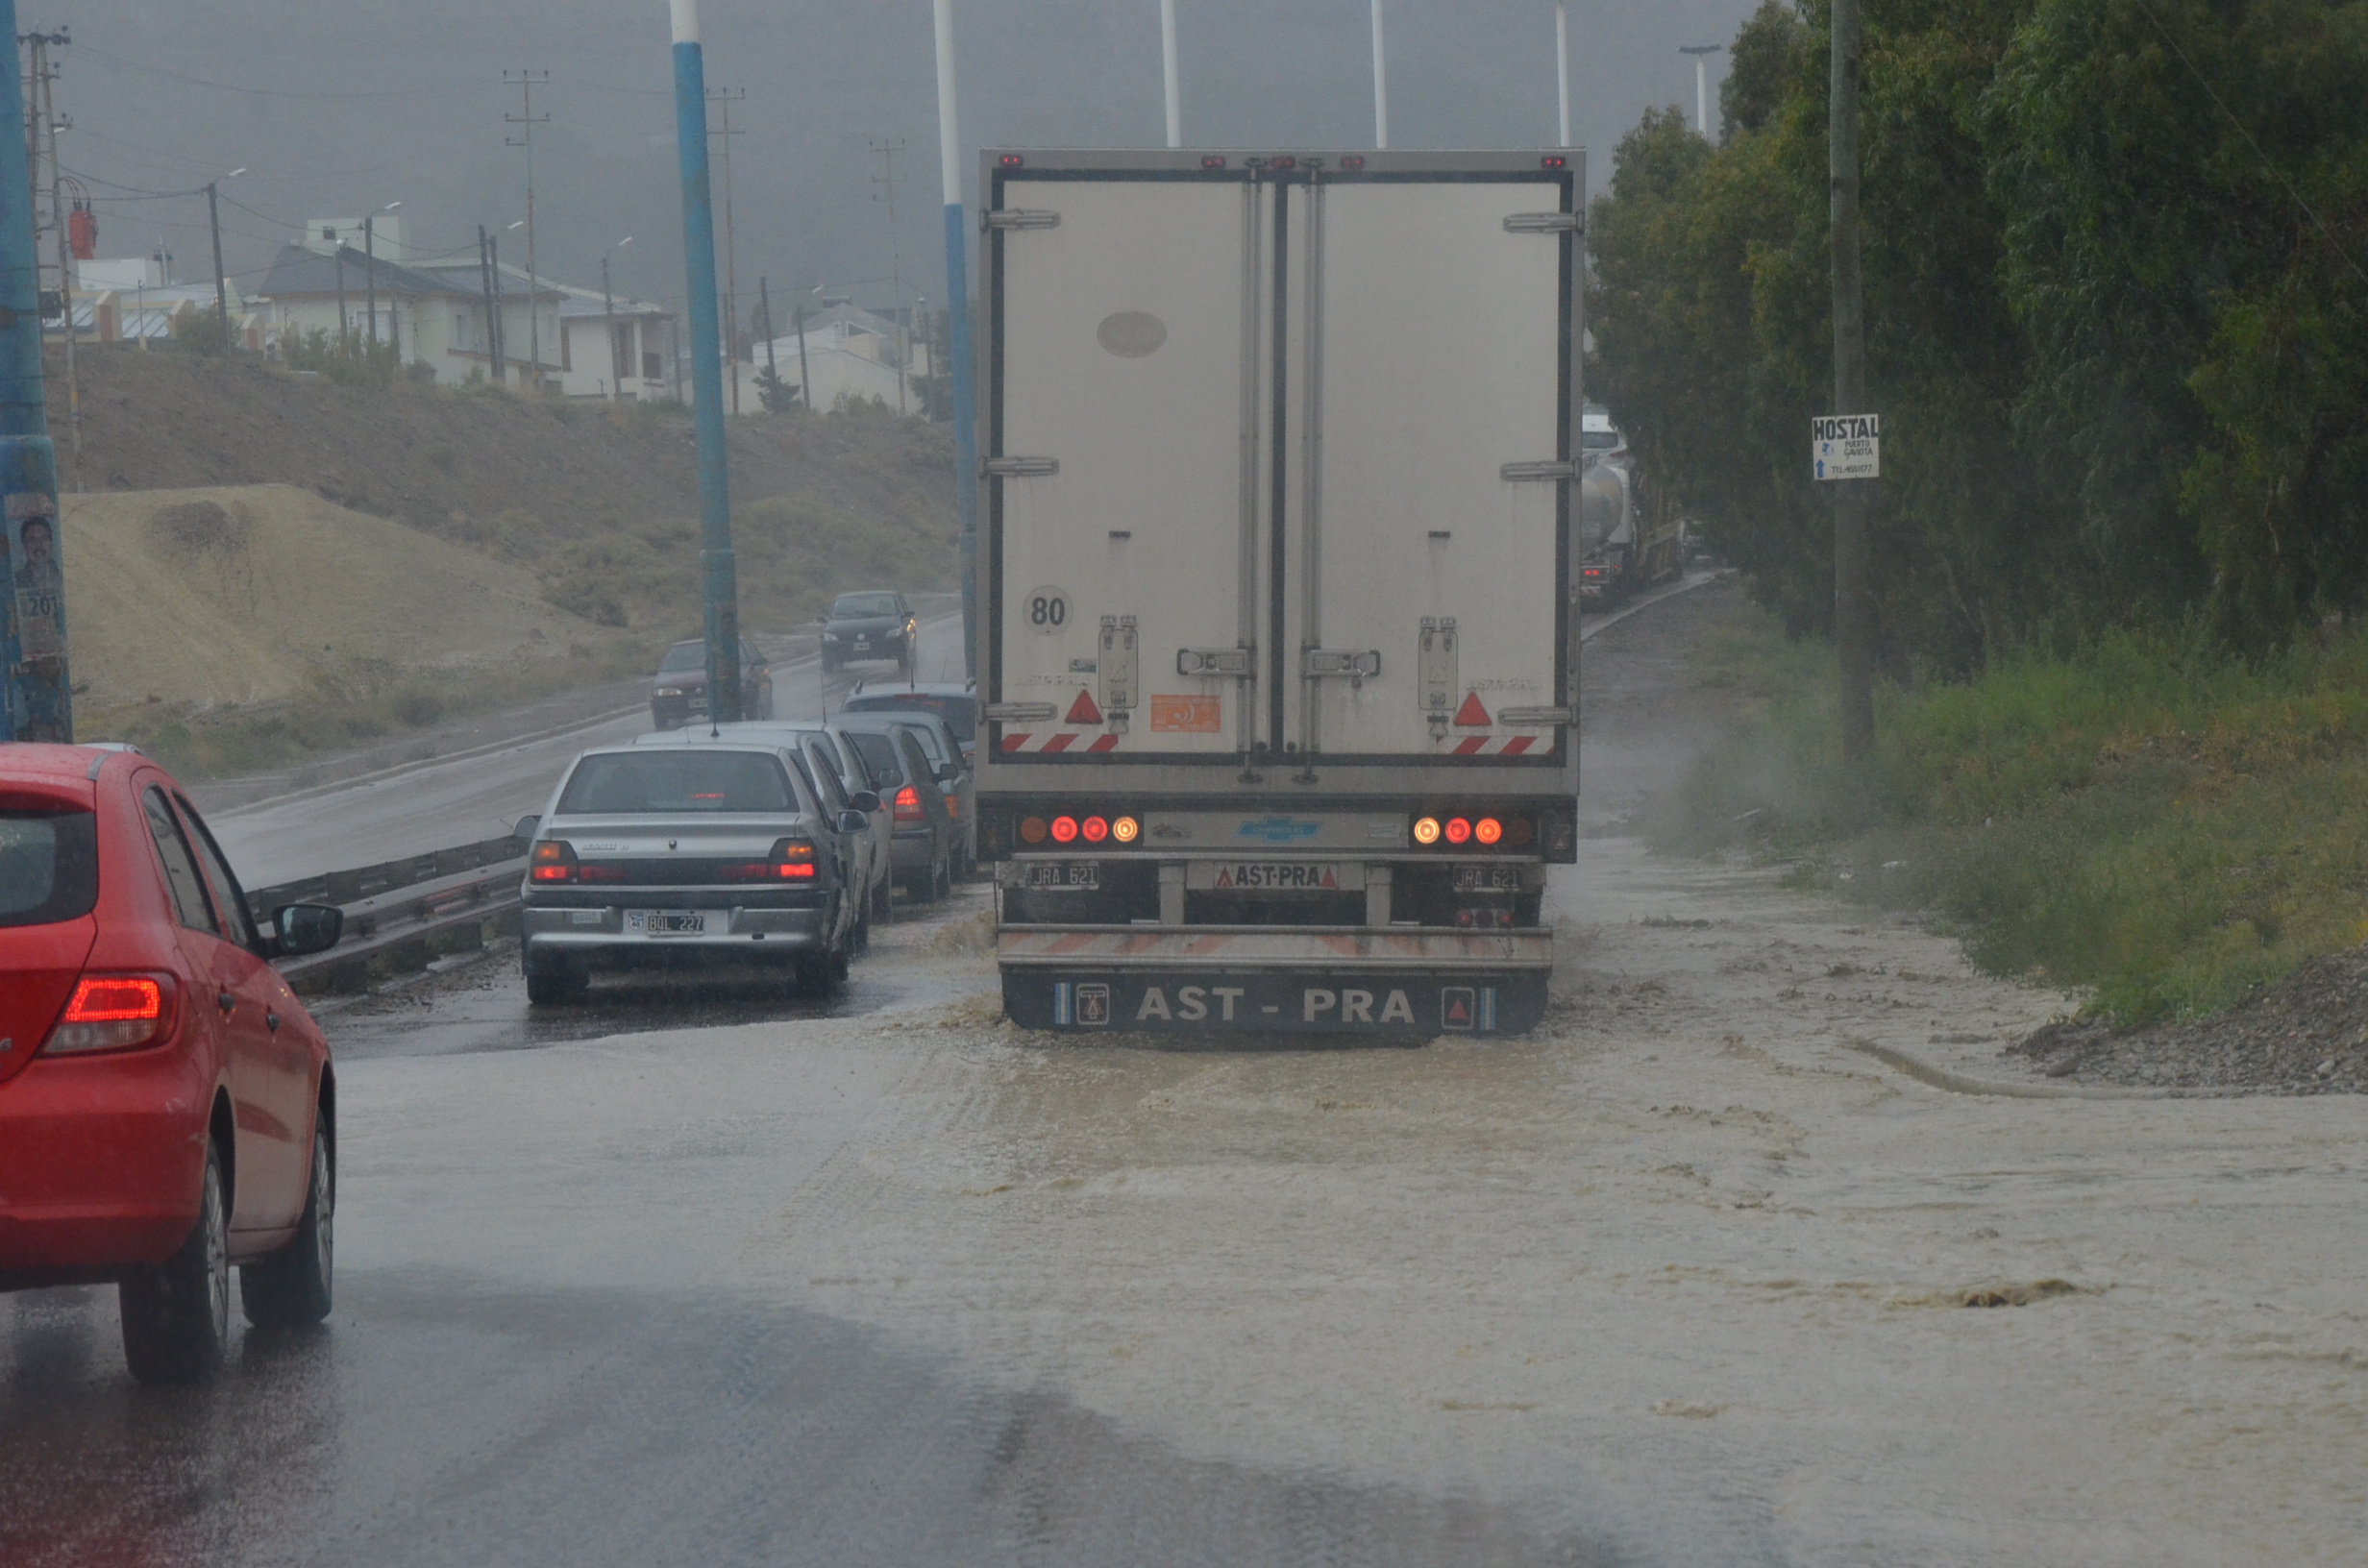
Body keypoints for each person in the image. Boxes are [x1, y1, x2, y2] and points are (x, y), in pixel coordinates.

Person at [12, 515, 63, 659]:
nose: (39, 545)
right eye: (32, 540)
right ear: (24, 546)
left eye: (44, 539)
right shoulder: (16, 580)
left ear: (52, 543)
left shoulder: (60, 577)